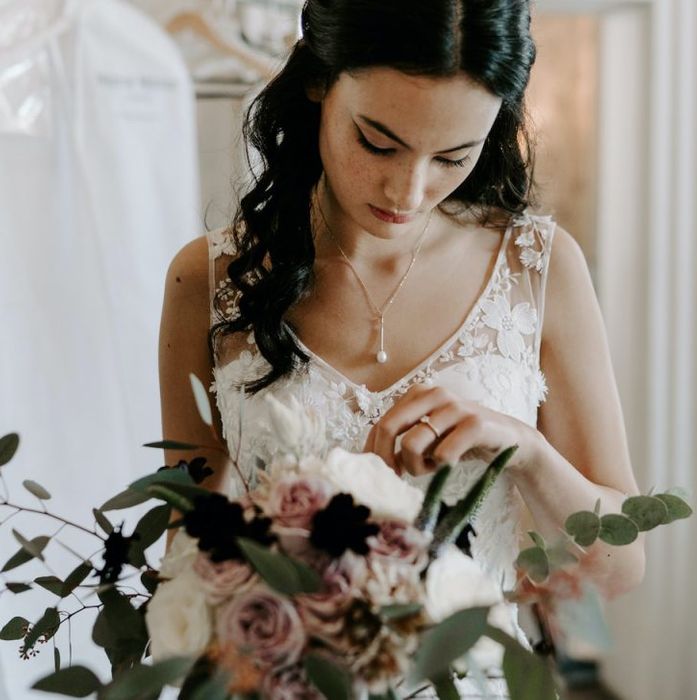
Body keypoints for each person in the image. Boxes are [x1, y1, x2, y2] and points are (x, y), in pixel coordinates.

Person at [159, 0, 645, 694]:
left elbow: (619, 569)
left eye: (453, 156)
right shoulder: (206, 282)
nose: (406, 190)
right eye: (378, 142)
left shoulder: (540, 269)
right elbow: (187, 549)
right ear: (319, 81)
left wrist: (525, 450)